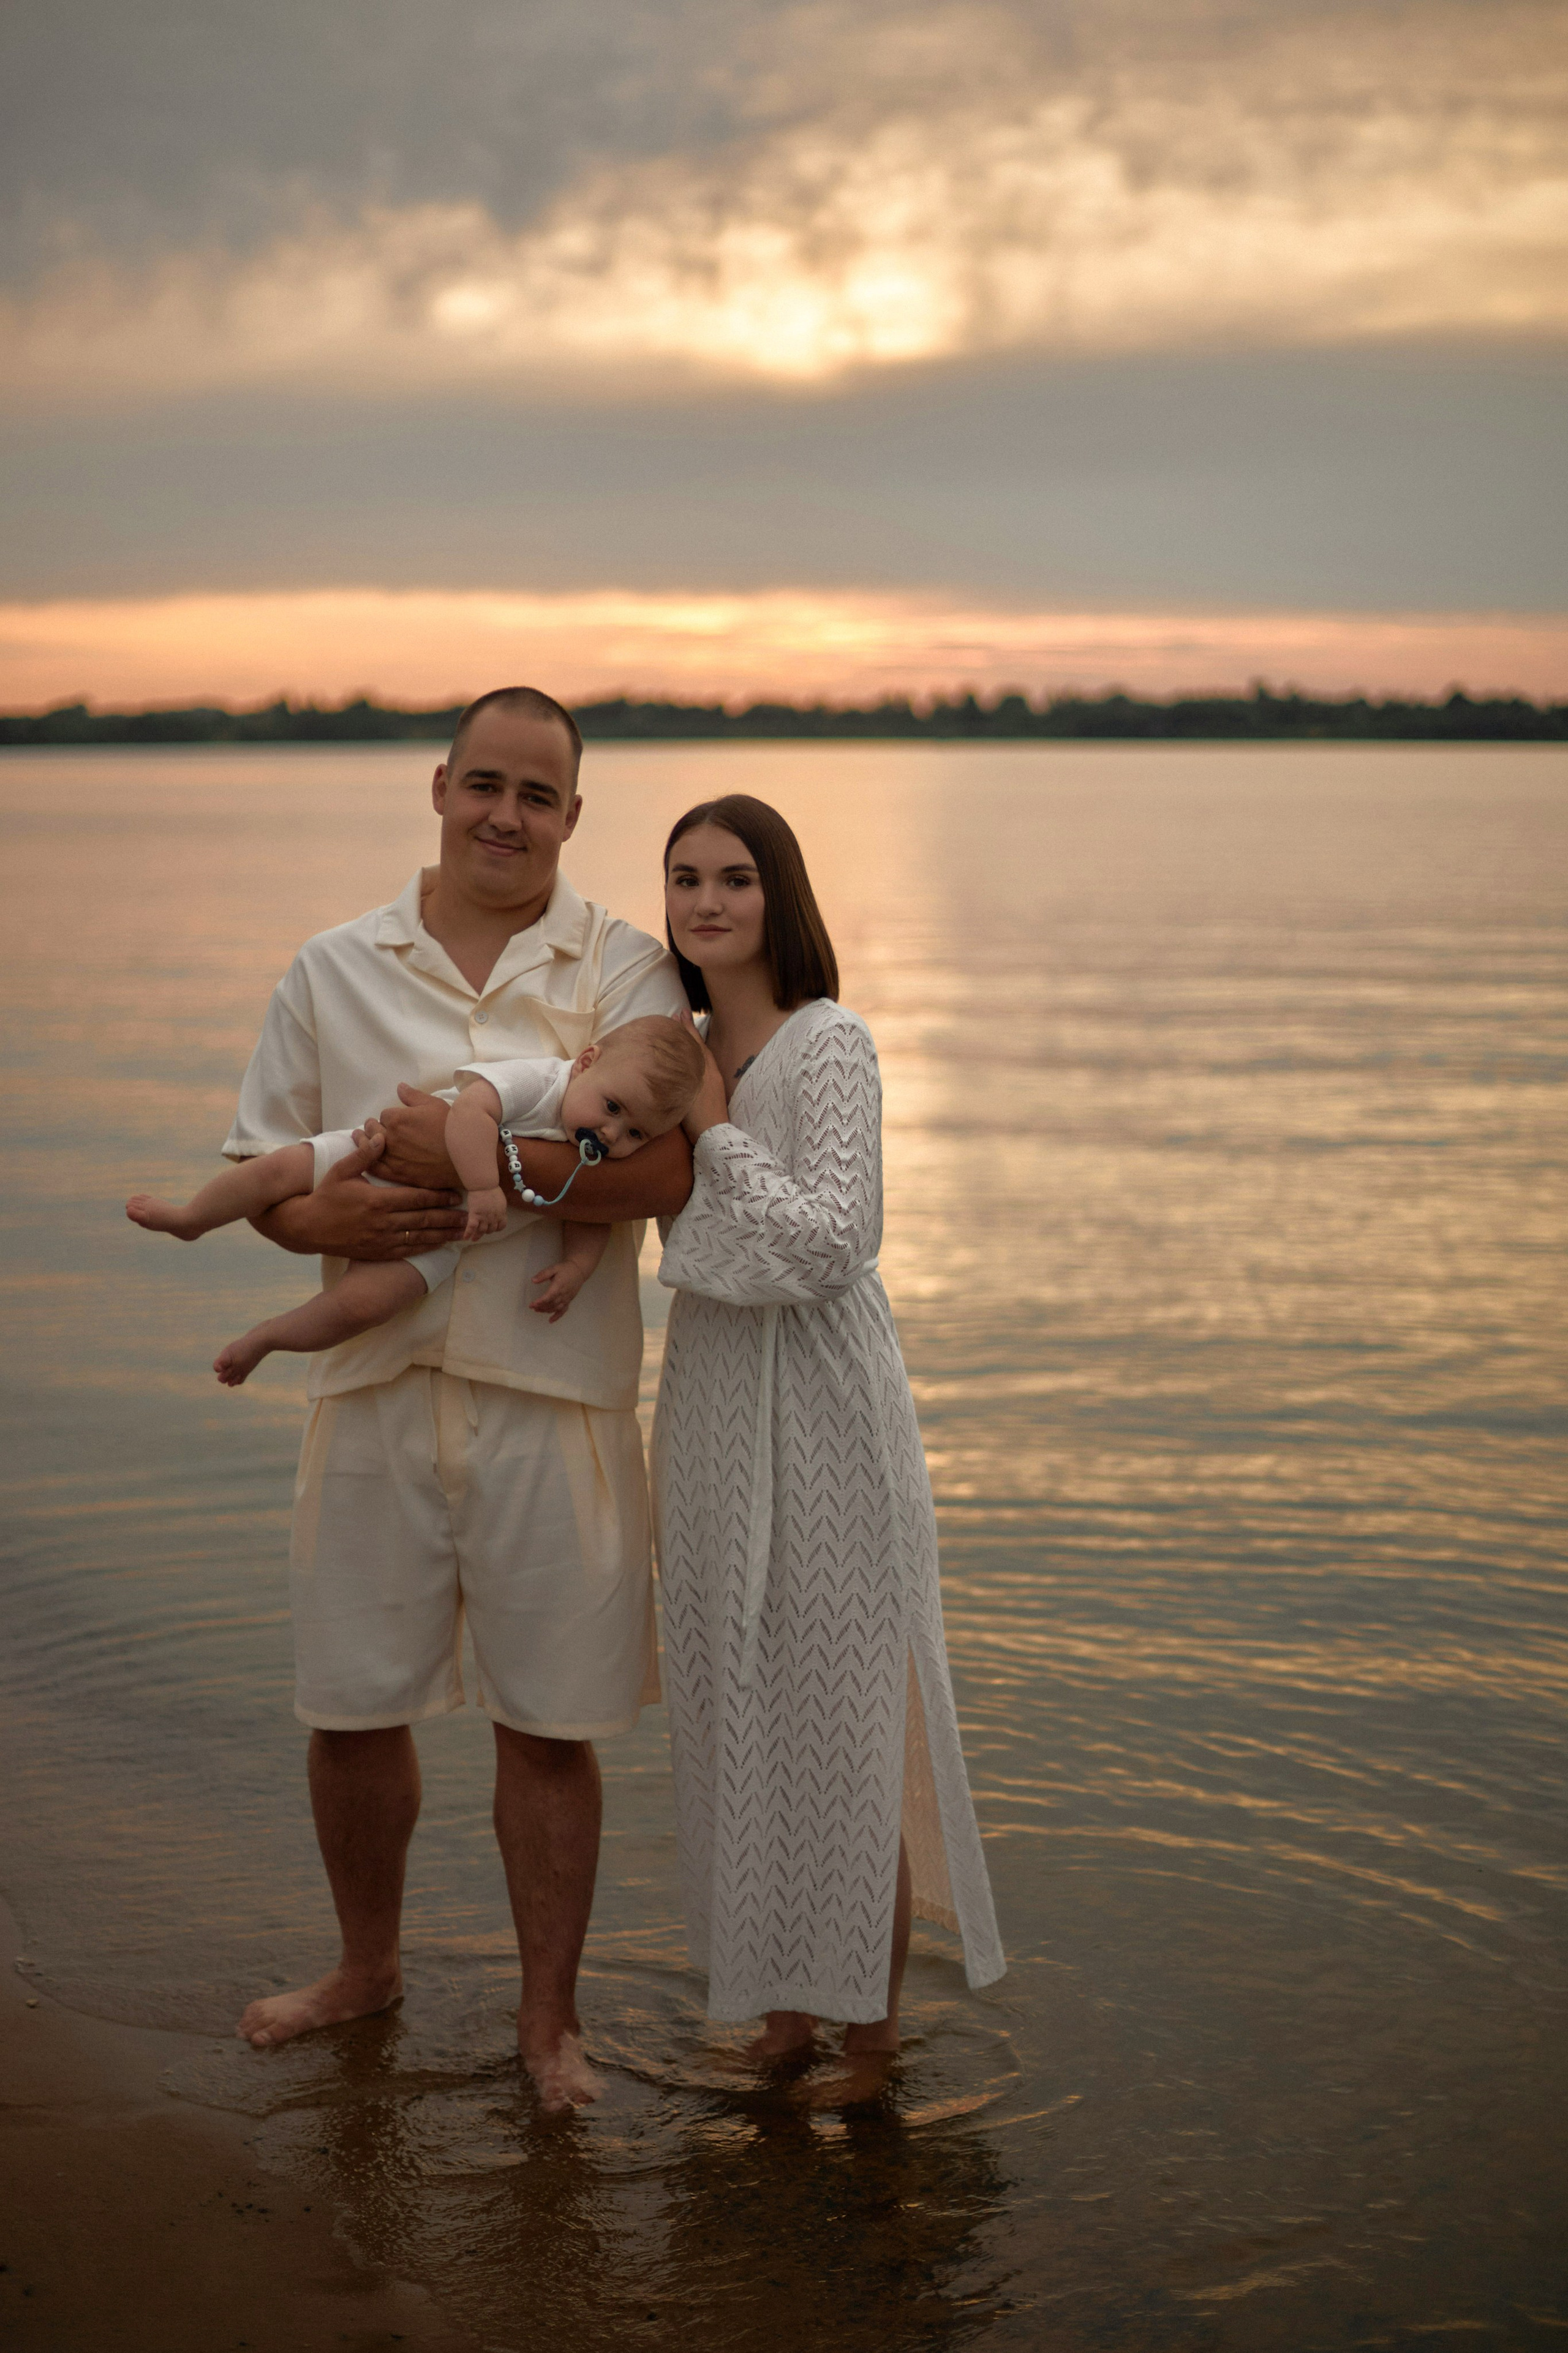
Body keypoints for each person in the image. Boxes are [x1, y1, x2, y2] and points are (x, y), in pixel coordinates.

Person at [216, 685, 692, 2109]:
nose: (505, 814)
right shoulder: (331, 967)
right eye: (484, 783)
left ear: (572, 815)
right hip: (370, 1385)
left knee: (548, 1725)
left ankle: (548, 2025)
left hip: (555, 1393)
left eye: (536, 795)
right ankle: (364, 1968)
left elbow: (666, 1172)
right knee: (351, 1708)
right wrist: (344, 1217)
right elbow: (267, 1180)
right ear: (438, 786)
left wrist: (471, 1165)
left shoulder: (627, 965)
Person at [652, 793, 1005, 2102]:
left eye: (735, 878)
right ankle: (782, 2018)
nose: (706, 902)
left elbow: (832, 1242)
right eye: (685, 878)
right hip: (710, 1399)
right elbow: (649, 1213)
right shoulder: (674, 1048)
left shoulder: (830, 1041)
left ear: (779, 896)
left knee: (845, 1728)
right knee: (735, 1706)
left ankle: (872, 2040)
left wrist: (710, 1129)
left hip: (828, 1409)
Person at [126, 1017, 704, 1380]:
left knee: (362, 1306)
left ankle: (267, 1338)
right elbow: (472, 1110)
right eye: (612, 1108)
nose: (611, 1134)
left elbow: (588, 1208)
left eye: (636, 1133)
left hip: (439, 1234)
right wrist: (484, 1185)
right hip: (379, 1156)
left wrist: (577, 1268)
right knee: (278, 1169)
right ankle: (192, 1216)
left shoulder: (593, 1152)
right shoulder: (543, 1083)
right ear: (586, 1064)